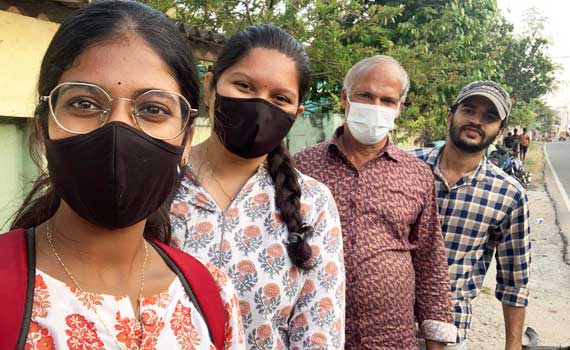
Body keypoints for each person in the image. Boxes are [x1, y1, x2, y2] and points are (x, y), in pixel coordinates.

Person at [0, 2, 244, 349]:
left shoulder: (210, 295)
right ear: (44, 129)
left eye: (153, 109)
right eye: (84, 103)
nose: (118, 129)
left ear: (187, 140)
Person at [170, 25, 345, 349]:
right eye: (244, 86)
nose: (259, 107)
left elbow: (319, 336)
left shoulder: (314, 204)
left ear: (296, 113)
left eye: (280, 98)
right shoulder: (157, 179)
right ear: (210, 86)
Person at [294, 55, 455, 350]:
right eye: (365, 96)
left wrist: (437, 339)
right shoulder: (304, 165)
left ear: (399, 109)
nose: (375, 107)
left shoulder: (416, 173)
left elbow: (430, 260)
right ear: (344, 99)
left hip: (392, 339)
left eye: (387, 100)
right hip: (318, 334)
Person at [411, 81, 531, 350]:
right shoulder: (405, 167)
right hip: (385, 327)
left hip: (449, 334)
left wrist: (513, 346)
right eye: (469, 110)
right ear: (451, 115)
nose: (476, 121)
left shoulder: (508, 195)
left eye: (489, 117)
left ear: (500, 131)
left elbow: (515, 282)